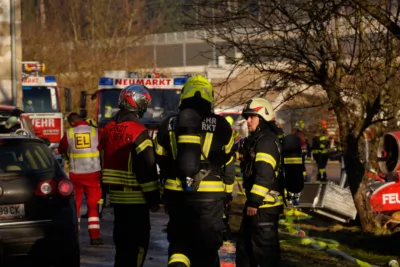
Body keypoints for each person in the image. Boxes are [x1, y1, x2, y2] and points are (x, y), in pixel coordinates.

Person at [154, 75, 235, 267]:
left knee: (179, 242)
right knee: (207, 246)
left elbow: (158, 156)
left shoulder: (169, 124)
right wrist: (228, 193)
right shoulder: (222, 125)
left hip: (176, 193)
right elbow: (229, 161)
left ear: (184, 95)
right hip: (211, 196)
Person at [100, 84, 160, 267]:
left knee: (122, 252)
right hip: (137, 202)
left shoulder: (108, 130)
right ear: (138, 103)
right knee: (137, 250)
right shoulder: (139, 132)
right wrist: (154, 200)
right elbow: (147, 170)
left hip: (117, 202)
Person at [236, 98, 283, 267]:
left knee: (265, 256)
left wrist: (254, 201)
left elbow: (264, 175)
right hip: (256, 207)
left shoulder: (266, 142)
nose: (247, 121)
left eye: (252, 117)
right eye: (247, 117)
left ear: (263, 118)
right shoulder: (257, 140)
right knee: (245, 251)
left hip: (263, 207)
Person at [58, 112, 103, 245]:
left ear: (72, 122)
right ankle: (95, 236)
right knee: (93, 206)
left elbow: (61, 149)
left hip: (76, 174)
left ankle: (74, 236)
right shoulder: (95, 131)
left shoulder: (69, 133)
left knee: (75, 206)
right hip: (93, 174)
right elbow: (102, 147)